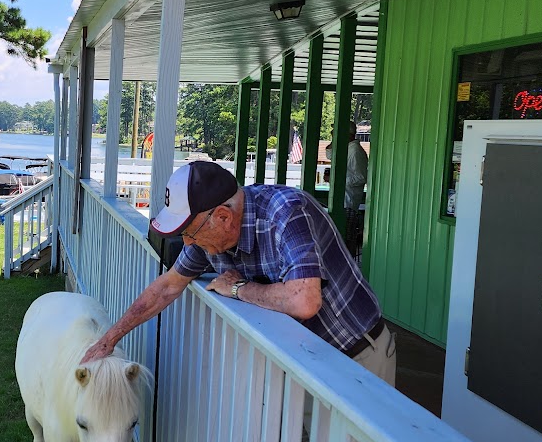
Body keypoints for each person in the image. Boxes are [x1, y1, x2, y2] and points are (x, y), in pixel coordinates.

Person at [80, 161, 395, 385]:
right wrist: (110, 339)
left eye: (189, 232)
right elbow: (167, 287)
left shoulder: (285, 212)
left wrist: (238, 289)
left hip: (354, 355)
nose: (187, 243)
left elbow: (305, 301)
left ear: (222, 217)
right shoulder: (209, 235)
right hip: (301, 360)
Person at [343, 122, 368, 256]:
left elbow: (361, 177)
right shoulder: (347, 148)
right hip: (344, 202)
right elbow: (330, 154)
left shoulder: (355, 151)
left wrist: (338, 179)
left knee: (346, 241)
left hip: (349, 203)